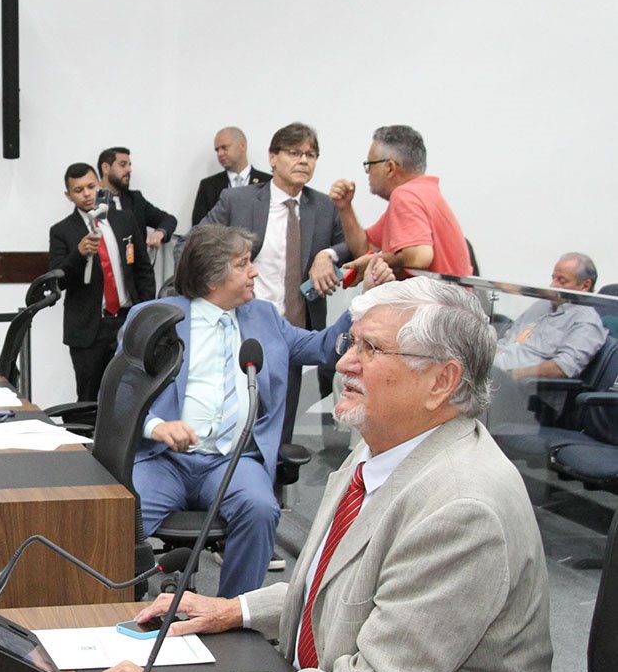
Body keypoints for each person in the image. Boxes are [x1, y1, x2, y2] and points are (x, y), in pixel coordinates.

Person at [89, 277, 558, 672]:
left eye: (371, 349)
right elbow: (343, 590)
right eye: (351, 343)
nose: (345, 362)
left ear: (441, 381)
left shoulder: (461, 510)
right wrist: (232, 609)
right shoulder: (382, 449)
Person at [125, 224, 388, 597]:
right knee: (119, 519)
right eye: (243, 264)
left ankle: (232, 613)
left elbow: (324, 348)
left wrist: (364, 299)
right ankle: (115, 606)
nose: (254, 272)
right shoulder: (154, 317)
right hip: (163, 459)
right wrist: (156, 427)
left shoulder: (264, 317)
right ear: (211, 278)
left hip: (233, 460)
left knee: (261, 508)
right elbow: (120, 395)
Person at [202, 122, 351, 443]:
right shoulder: (238, 200)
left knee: (280, 429)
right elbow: (193, 244)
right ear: (272, 157)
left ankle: (276, 475)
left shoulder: (323, 206)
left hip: (290, 332)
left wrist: (326, 254)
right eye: (294, 153)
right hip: (240, 326)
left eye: (311, 155)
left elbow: (351, 245)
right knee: (232, 421)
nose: (303, 161)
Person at [49, 162, 154, 400]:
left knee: (130, 394)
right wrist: (78, 254)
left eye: (91, 186)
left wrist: (144, 312)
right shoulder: (62, 231)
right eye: (78, 190)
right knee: (88, 398)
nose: (87, 194)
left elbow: (143, 269)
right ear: (68, 195)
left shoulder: (124, 220)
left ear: (99, 185)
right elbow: (57, 280)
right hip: (89, 329)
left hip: (126, 320)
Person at [329, 125, 472, 279]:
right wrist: (345, 208)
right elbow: (364, 249)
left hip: (436, 294)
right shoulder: (424, 193)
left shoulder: (405, 195)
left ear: (389, 168)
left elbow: (419, 256)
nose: (368, 171)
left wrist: (375, 260)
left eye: (370, 164)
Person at [490, 253, 607, 429]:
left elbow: (562, 367)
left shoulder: (587, 321)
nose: (553, 285)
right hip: (497, 378)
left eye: (562, 281)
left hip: (531, 397)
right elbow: (508, 341)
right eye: (553, 278)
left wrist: (512, 375)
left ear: (585, 285)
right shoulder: (541, 306)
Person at [98, 146, 178, 249]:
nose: (129, 170)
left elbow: (169, 219)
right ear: (106, 168)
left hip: (136, 258)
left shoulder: (135, 199)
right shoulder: (92, 201)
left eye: (129, 165)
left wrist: (159, 232)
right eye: (123, 165)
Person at [190, 126, 272, 226]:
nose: (220, 154)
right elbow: (198, 227)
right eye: (217, 150)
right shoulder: (208, 186)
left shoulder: (268, 182)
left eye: (224, 148)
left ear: (242, 146)